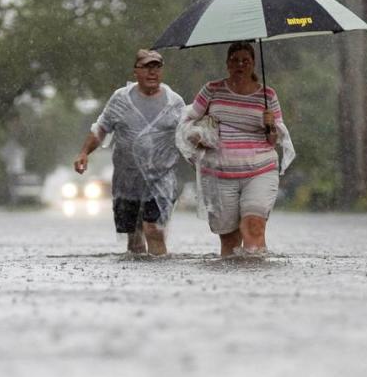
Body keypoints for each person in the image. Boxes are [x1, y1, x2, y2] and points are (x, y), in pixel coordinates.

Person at [177, 41, 295, 256]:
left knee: (253, 227)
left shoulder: (268, 96)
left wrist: (270, 125)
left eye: (245, 61)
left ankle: (257, 282)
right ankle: (233, 286)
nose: (240, 65)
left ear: (253, 64)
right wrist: (196, 137)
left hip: (260, 170)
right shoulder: (212, 90)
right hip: (219, 173)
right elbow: (187, 122)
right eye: (235, 60)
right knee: (230, 241)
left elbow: (273, 139)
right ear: (227, 64)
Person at [74, 49, 185, 255]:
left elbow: (186, 136)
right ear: (136, 71)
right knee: (134, 239)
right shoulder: (121, 99)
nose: (152, 72)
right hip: (128, 181)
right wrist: (84, 153)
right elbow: (101, 128)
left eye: (157, 67)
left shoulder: (174, 102)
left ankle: (159, 276)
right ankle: (137, 280)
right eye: (147, 67)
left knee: (153, 229)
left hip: (161, 179)